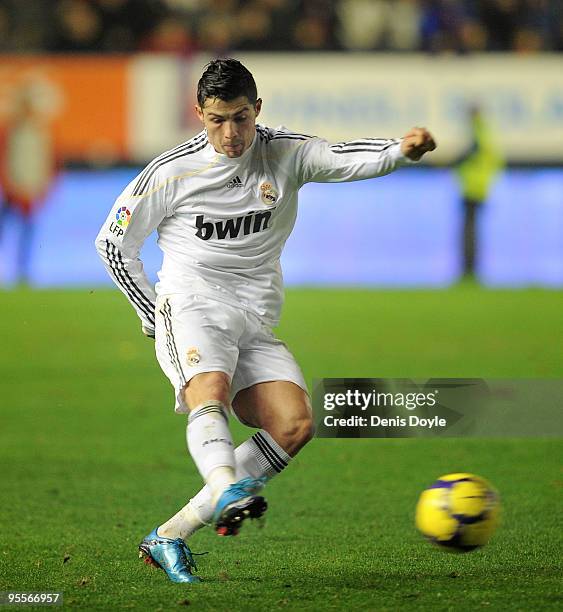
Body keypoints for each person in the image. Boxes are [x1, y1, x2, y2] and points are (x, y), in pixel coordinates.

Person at [95, 58, 436, 584]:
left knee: (294, 424)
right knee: (208, 388)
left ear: (258, 109)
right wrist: (151, 312)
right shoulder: (171, 173)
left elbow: (343, 158)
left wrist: (400, 150)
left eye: (239, 118)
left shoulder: (285, 152)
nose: (229, 133)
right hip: (190, 302)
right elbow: (114, 244)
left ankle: (169, 536)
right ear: (199, 115)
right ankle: (228, 483)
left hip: (255, 316)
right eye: (216, 120)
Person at [0, 87, 57, 285]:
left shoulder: (40, 132)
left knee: (28, 232)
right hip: (12, 190)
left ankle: (23, 271)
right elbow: (5, 160)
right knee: (5, 228)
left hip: (31, 189)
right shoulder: (10, 131)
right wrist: (9, 186)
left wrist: (43, 187)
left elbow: (49, 162)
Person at [455, 105, 504, 280]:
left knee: (469, 231)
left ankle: (469, 269)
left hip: (472, 188)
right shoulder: (485, 132)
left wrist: (452, 163)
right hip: (480, 187)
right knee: (472, 229)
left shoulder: (478, 131)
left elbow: (470, 152)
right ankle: (471, 268)